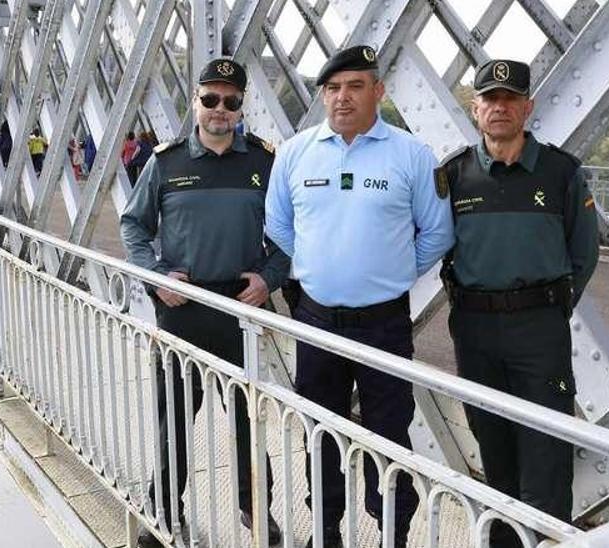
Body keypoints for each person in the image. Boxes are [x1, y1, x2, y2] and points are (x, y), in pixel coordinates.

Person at [264, 45, 454, 548]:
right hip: (316, 320)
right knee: (319, 431)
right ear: (323, 95)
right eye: (332, 88)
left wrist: (390, 271)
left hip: (383, 324)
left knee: (389, 434)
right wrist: (318, 267)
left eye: (354, 86)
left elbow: (437, 233)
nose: (342, 98)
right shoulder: (295, 152)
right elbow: (279, 226)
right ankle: (325, 532)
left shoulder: (411, 155)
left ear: (378, 91)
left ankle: (393, 533)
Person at [120, 57, 289, 547]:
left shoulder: (263, 162)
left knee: (245, 418)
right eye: (210, 99)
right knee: (174, 416)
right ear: (195, 102)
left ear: (240, 107)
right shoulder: (166, 162)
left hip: (241, 307)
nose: (220, 109)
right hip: (183, 307)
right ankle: (163, 510)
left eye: (231, 101)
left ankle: (256, 508)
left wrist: (269, 279)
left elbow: (285, 234)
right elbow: (133, 225)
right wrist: (154, 278)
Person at [439, 59, 599, 548]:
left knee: (547, 448)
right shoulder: (453, 175)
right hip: (475, 328)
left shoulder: (561, 172)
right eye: (490, 99)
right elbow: (437, 248)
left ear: (527, 107)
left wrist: (548, 309)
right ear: (475, 108)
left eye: (510, 100)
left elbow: (584, 255)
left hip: (539, 327)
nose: (500, 108)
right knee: (493, 441)